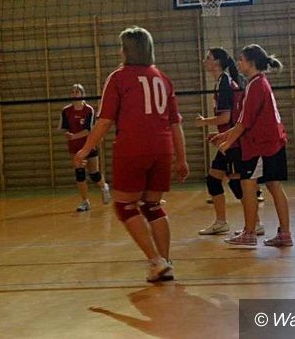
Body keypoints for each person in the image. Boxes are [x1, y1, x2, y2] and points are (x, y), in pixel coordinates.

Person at [75, 26, 189, 282]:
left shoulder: (119, 78)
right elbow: (175, 124)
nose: (120, 52)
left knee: (125, 206)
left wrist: (85, 149)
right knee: (152, 206)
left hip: (133, 148)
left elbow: (104, 121)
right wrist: (181, 158)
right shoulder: (163, 78)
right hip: (163, 149)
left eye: (121, 47)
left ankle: (156, 261)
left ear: (127, 50)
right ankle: (165, 263)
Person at [211, 44, 292, 247]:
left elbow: (244, 122)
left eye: (241, 59)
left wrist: (227, 143)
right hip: (273, 141)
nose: (238, 63)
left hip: (261, 146)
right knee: (273, 185)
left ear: (251, 62)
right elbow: (246, 120)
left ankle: (249, 232)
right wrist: (225, 135)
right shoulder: (260, 82)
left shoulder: (255, 85)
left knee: (247, 184)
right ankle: (284, 233)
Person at [195, 47, 264, 236]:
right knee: (213, 180)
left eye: (208, 58)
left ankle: (256, 223)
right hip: (229, 140)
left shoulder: (225, 83)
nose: (204, 60)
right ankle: (221, 222)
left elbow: (225, 118)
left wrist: (204, 122)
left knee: (236, 183)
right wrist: (220, 135)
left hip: (235, 143)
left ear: (217, 62)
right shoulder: (222, 82)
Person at [59, 83, 110, 212]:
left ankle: (104, 186)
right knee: (79, 173)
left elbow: (88, 130)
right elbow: (65, 128)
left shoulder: (89, 110)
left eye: (77, 92)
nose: (74, 94)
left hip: (88, 144)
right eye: (72, 92)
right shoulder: (66, 111)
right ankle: (85, 202)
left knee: (94, 174)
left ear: (82, 94)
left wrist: (73, 136)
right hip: (75, 147)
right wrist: (67, 134)